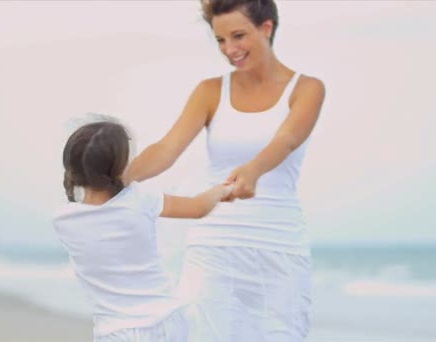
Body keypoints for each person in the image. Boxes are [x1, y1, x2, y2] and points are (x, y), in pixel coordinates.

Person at [123, 0, 325, 340]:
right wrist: (115, 178)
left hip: (279, 247)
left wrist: (254, 170)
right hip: (213, 247)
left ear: (266, 28)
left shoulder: (307, 88)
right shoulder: (210, 91)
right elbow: (167, 149)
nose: (229, 49)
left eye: (238, 36)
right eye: (220, 40)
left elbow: (287, 139)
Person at [52, 120, 233, 342]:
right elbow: (198, 208)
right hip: (168, 322)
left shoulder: (63, 220)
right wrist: (224, 189)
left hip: (118, 332)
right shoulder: (139, 200)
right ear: (119, 167)